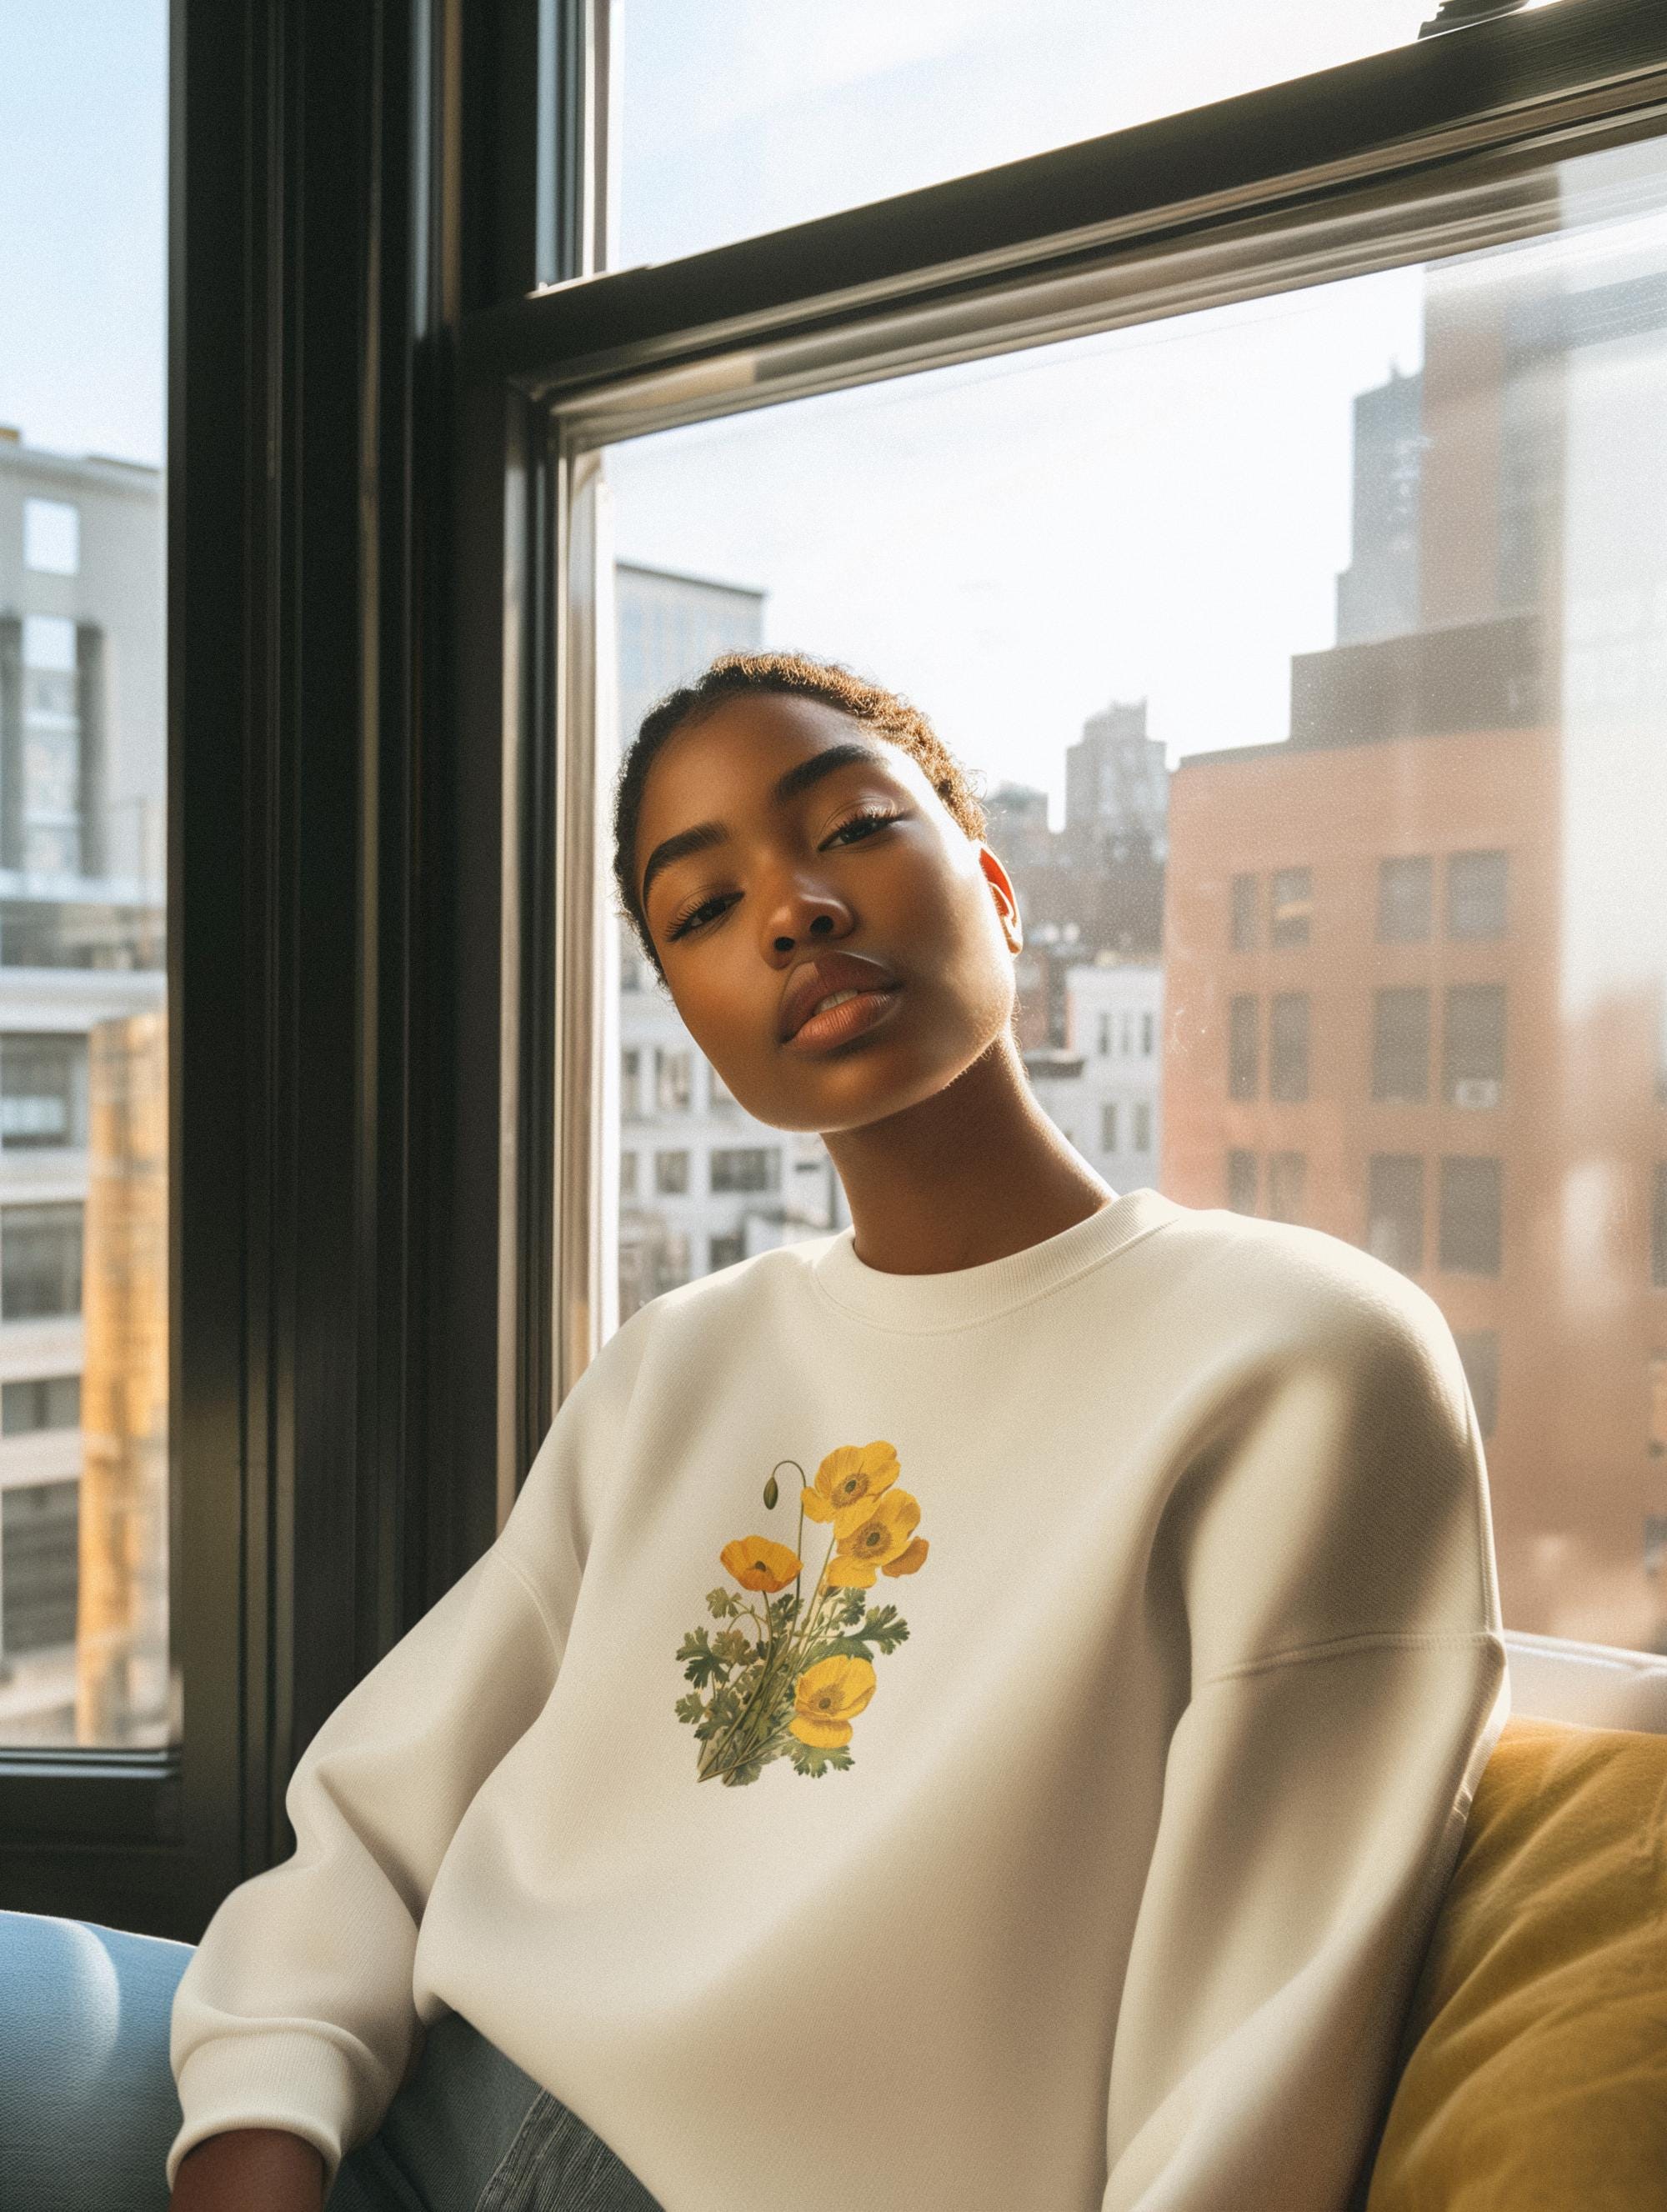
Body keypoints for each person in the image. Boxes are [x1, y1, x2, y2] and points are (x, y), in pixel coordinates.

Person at [163, 651, 1509, 2211]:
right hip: (415, 2104)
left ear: (996, 885)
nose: (793, 909)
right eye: (703, 910)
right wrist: (258, 2128)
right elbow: (375, 1823)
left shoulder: (1300, 1357)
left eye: (854, 826)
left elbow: (1260, 2048)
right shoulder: (681, 1361)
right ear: (694, 1022)